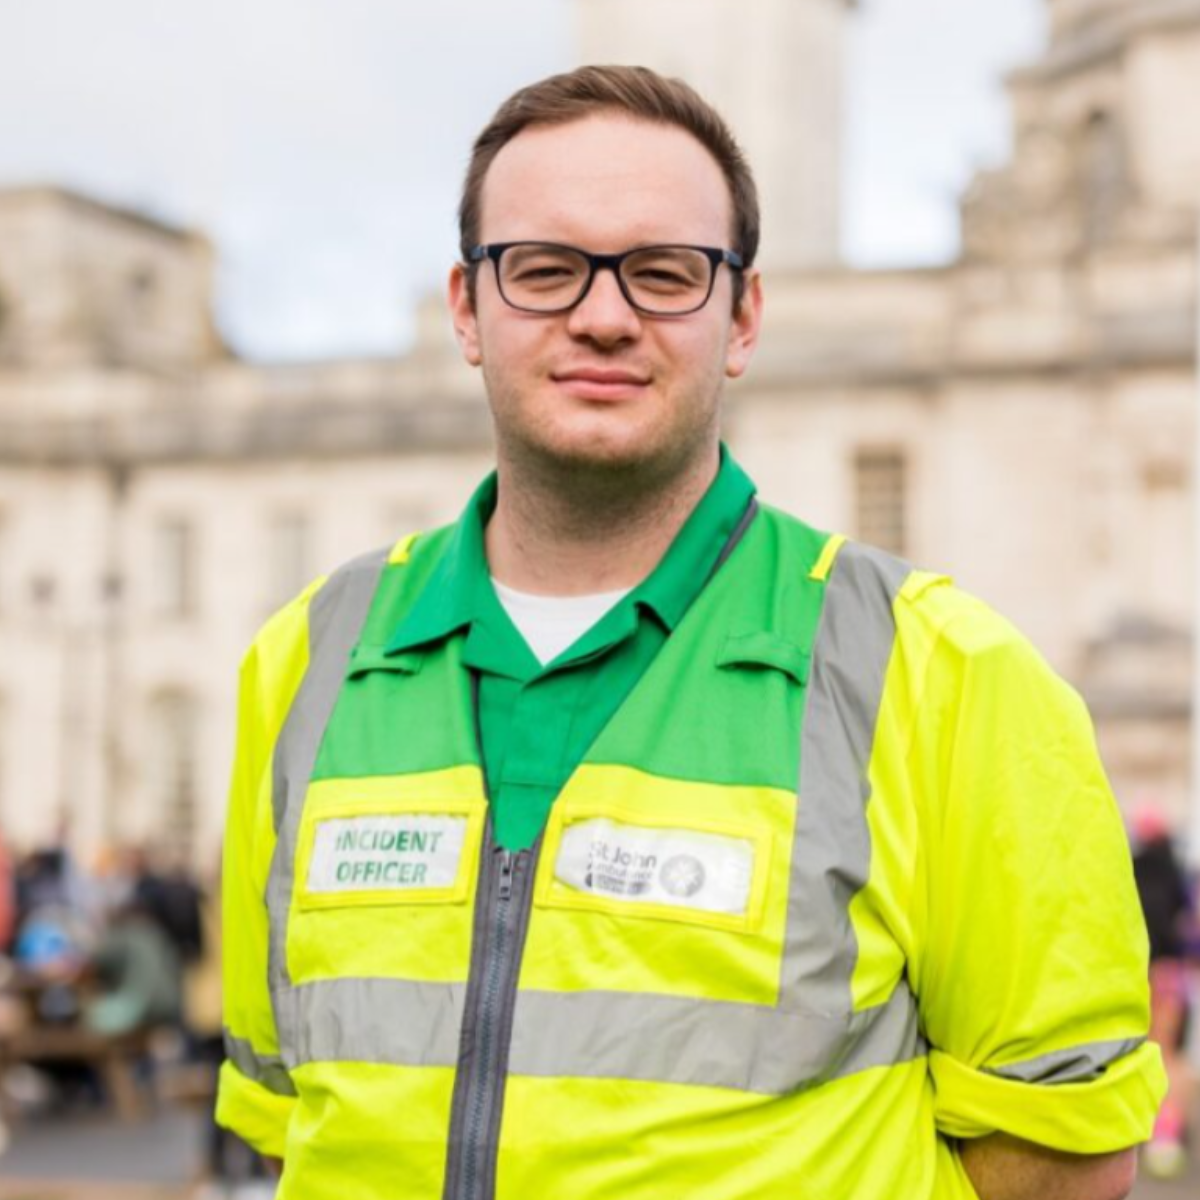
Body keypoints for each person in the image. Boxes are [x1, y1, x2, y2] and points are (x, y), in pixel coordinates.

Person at [215, 66, 1166, 1200]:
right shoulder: (310, 656)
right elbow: (289, 1113)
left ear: (742, 317)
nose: (604, 316)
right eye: (543, 269)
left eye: (665, 274)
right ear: (467, 309)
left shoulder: (947, 671)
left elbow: (1063, 1157)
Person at [1131, 802, 1194, 1177]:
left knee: (1147, 1048)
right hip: (1168, 972)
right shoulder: (1174, 870)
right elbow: (1186, 921)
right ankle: (1166, 1130)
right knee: (1168, 1052)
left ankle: (1150, 1125)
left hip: (1139, 972)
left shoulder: (1135, 868)